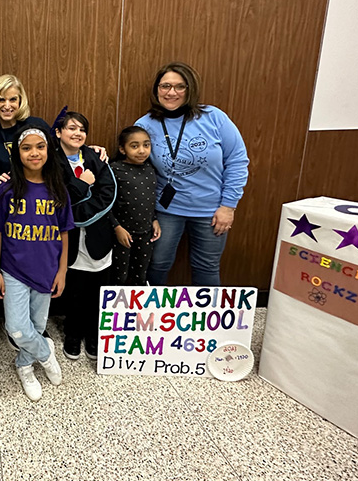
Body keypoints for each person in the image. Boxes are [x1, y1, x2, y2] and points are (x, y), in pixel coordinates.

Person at [134, 62, 249, 285]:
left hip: (212, 210)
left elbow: (237, 160)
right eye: (165, 86)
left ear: (190, 89)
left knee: (206, 267)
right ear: (156, 89)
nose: (171, 92)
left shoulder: (214, 117)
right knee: (156, 264)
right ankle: (154, 317)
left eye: (180, 87)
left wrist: (228, 206)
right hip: (165, 210)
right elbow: (134, 167)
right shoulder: (145, 124)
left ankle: (205, 318)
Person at [0, 126, 73, 401]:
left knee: (36, 324)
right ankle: (45, 353)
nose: (34, 153)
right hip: (12, 270)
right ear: (16, 153)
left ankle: (24, 365)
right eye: (26, 147)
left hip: (46, 270)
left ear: (49, 150)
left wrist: (63, 270)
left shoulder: (59, 190)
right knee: (17, 328)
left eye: (40, 147)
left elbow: (65, 232)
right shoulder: (5, 190)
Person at [54, 111, 117, 361]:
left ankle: (93, 334)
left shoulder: (94, 156)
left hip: (98, 237)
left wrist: (78, 208)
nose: (77, 133)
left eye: (82, 129)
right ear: (58, 132)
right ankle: (72, 333)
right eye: (71, 128)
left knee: (97, 290)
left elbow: (108, 192)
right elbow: (57, 199)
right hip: (67, 240)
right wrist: (83, 184)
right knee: (74, 290)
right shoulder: (49, 161)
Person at [0, 74, 50, 214]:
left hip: (41, 203)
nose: (7, 105)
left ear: (21, 101)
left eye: (13, 99)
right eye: (1, 100)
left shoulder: (37, 126)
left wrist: (88, 150)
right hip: (8, 207)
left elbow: (61, 154)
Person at [108, 126, 161, 285]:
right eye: (134, 146)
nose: (142, 151)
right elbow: (105, 204)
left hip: (145, 234)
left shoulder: (150, 169)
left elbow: (149, 199)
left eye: (146, 145)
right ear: (122, 149)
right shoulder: (115, 169)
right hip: (121, 233)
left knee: (141, 276)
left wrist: (154, 220)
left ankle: (138, 310)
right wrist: (117, 228)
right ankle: (114, 310)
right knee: (119, 277)